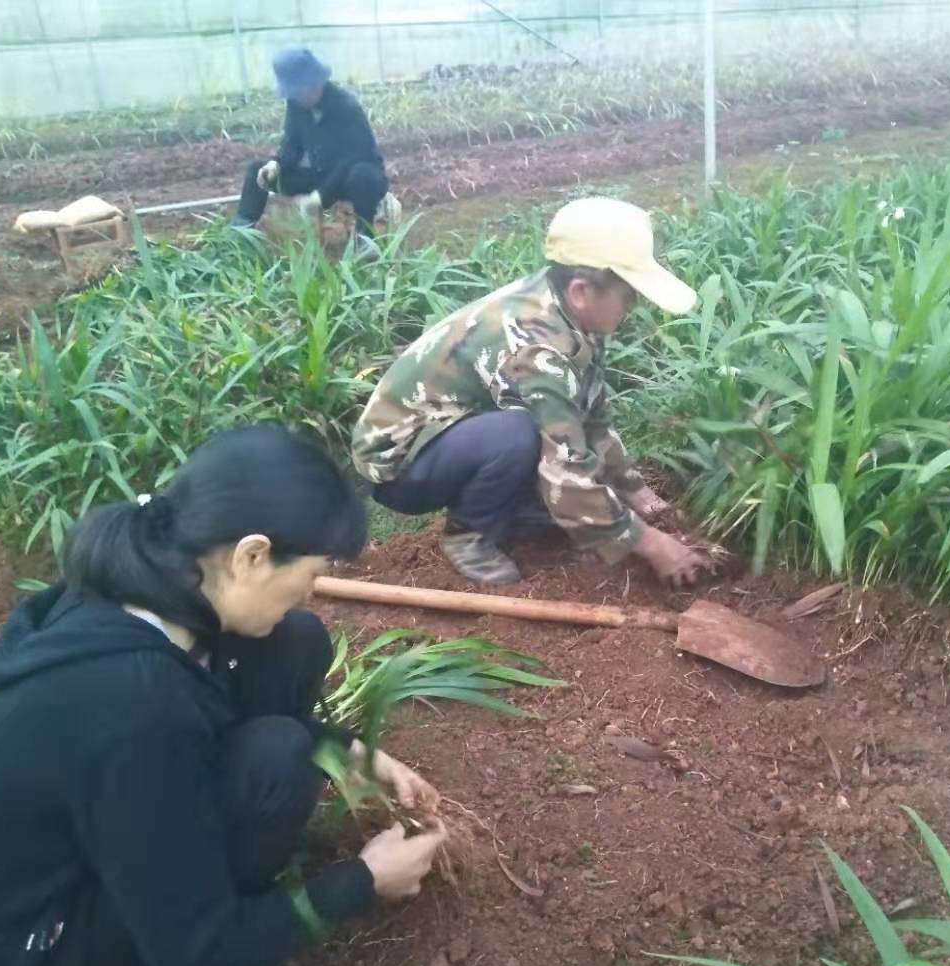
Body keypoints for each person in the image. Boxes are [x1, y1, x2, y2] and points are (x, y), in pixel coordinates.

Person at [0, 426, 446, 966]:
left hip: (74, 837)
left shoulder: (147, 585)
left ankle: (229, 863)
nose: (313, 590)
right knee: (276, 760)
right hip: (28, 947)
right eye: (310, 573)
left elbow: (211, 703)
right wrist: (360, 883)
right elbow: (198, 940)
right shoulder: (134, 706)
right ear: (251, 555)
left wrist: (346, 751)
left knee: (292, 640)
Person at [352, 196, 712, 587]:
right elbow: (567, 475)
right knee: (520, 434)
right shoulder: (538, 348)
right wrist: (655, 546)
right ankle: (469, 536)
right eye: (628, 296)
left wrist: (637, 494)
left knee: (534, 430)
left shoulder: (570, 313)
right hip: (402, 463)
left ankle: (519, 509)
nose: (633, 306)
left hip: (455, 434)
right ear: (581, 290)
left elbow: (590, 415)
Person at [231, 47, 391, 239]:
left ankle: (365, 237)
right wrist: (276, 163)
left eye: (303, 90)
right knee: (257, 170)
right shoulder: (296, 105)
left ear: (318, 82)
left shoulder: (346, 106)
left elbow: (352, 157)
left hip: (351, 177)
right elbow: (292, 144)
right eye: (294, 93)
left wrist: (320, 197)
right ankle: (240, 232)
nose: (299, 98)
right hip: (320, 175)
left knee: (362, 176)